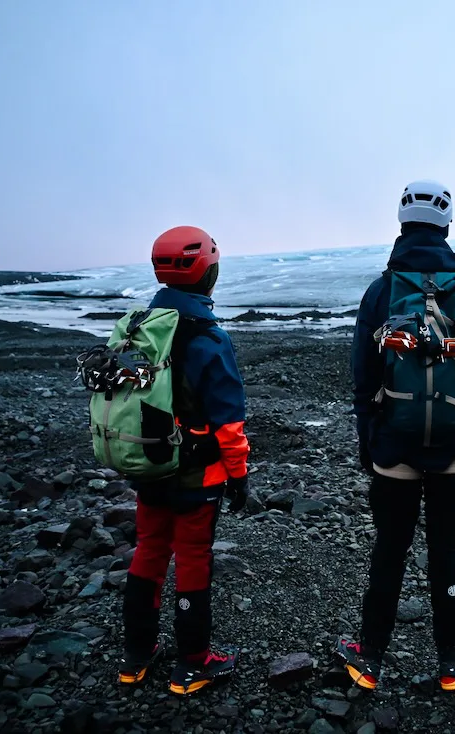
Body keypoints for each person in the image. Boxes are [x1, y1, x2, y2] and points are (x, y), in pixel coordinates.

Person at [336, 181, 455, 692]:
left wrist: (370, 438)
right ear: (448, 225)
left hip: (394, 447)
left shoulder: (381, 291)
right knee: (446, 553)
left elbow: (363, 374)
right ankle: (452, 661)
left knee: (390, 550)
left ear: (402, 223)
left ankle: (369, 659)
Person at [117, 225, 251, 695]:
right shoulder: (208, 336)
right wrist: (239, 477)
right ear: (209, 272)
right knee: (192, 558)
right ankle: (193, 664)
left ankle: (136, 657)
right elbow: (229, 423)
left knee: (149, 551)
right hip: (197, 474)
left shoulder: (139, 327)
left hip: (146, 463)